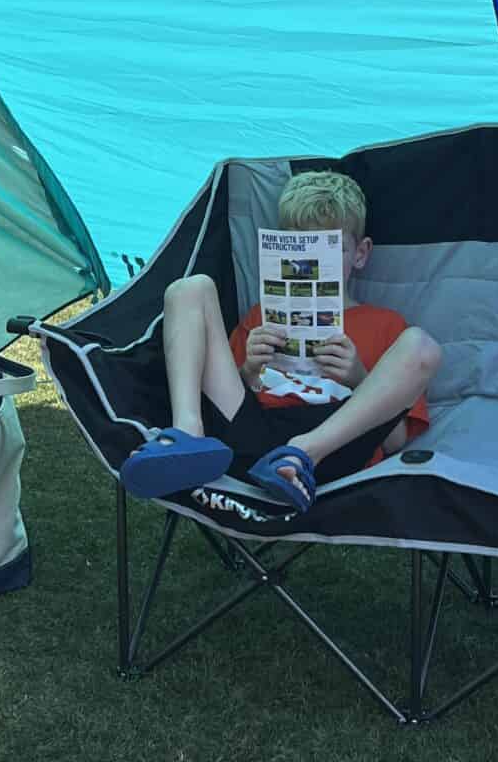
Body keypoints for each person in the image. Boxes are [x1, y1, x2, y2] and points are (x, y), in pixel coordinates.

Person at [121, 169, 441, 516]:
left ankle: (299, 454)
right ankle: (187, 436)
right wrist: (249, 369)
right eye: (301, 249)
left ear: (360, 253)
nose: (312, 264)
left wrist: (358, 378)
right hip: (251, 432)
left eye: (329, 249)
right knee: (189, 289)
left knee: (421, 346)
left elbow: (393, 441)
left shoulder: (384, 324)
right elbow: (225, 388)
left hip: (332, 446)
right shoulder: (262, 315)